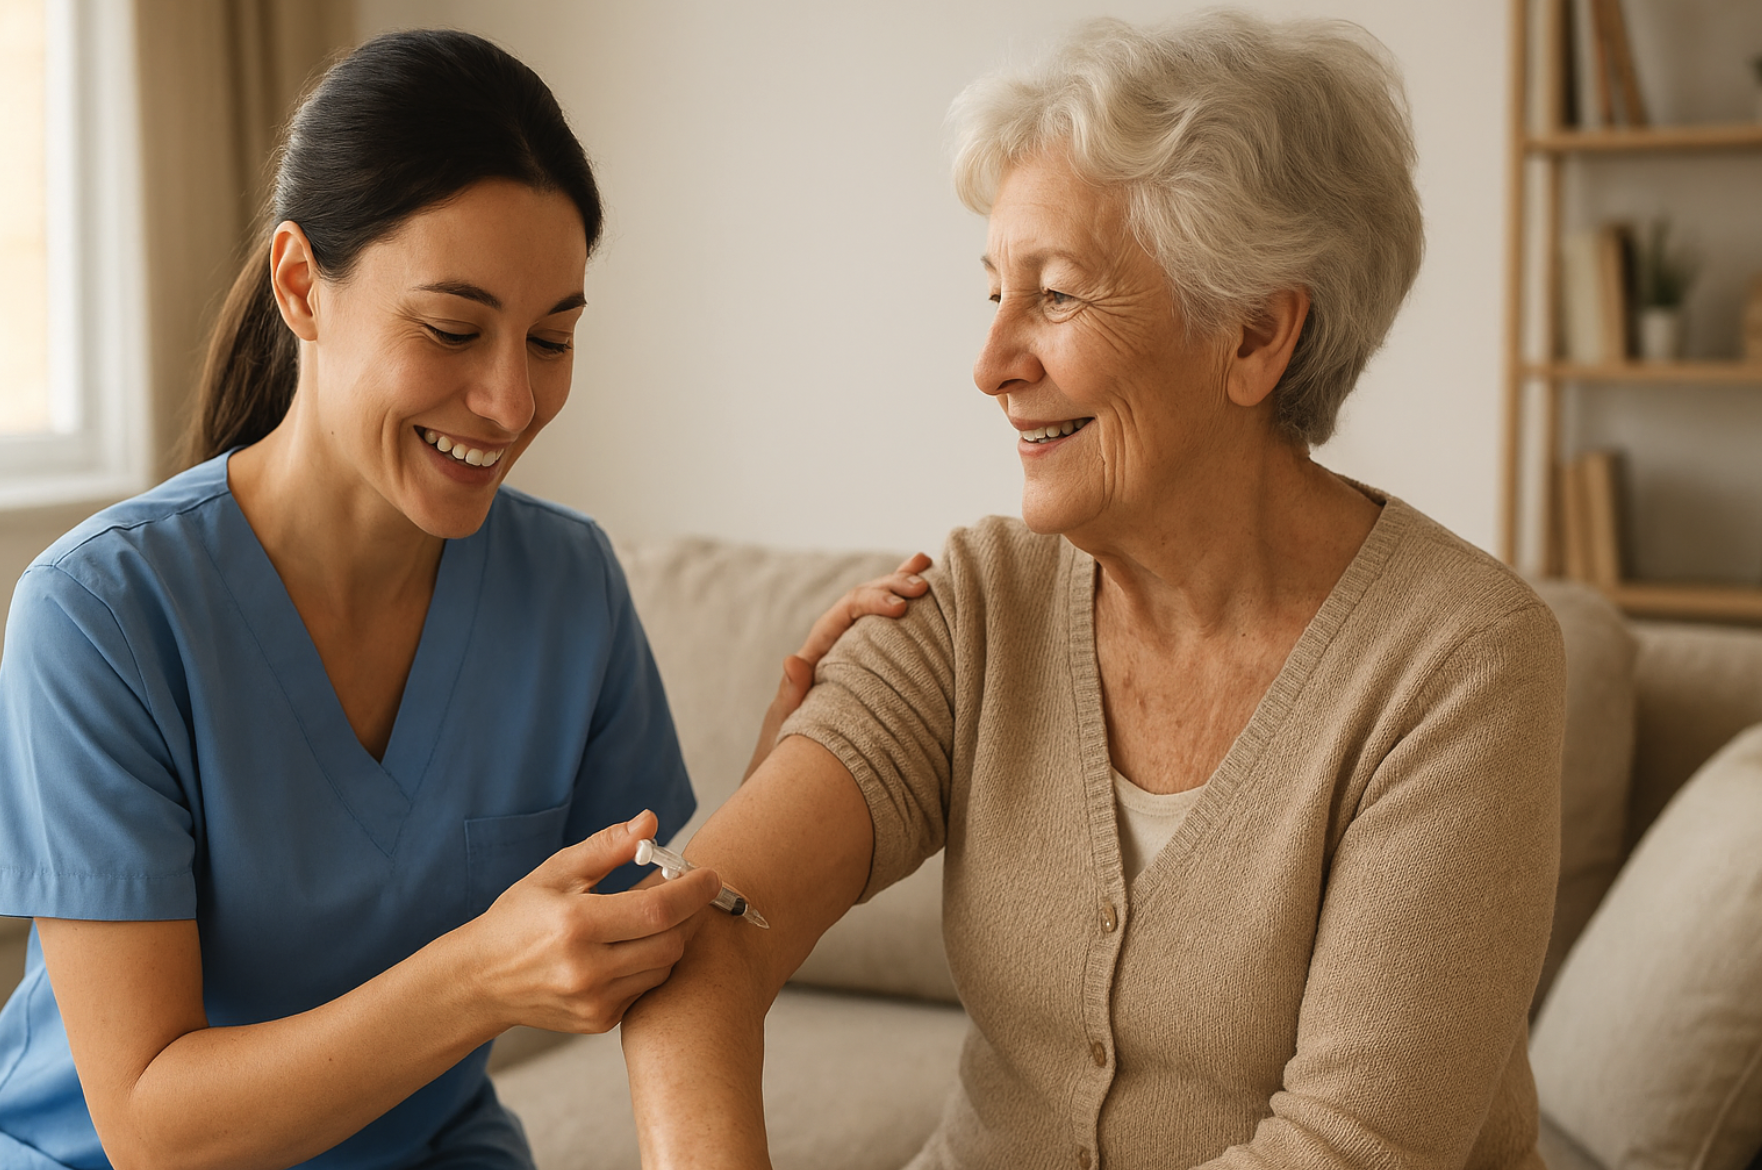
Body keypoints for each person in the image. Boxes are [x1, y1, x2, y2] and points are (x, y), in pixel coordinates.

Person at [621, 13, 1565, 1170]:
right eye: (994, 293)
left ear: (1255, 335)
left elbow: (1348, 1151)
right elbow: (694, 944)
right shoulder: (975, 608)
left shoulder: (1459, 663)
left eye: (1056, 296)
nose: (991, 364)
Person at [0, 29, 925, 1170]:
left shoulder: (568, 588)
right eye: (451, 330)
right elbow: (153, 1127)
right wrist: (481, 974)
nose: (507, 399)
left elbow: (645, 925)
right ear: (302, 285)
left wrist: (786, 772)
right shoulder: (100, 615)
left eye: (552, 338)